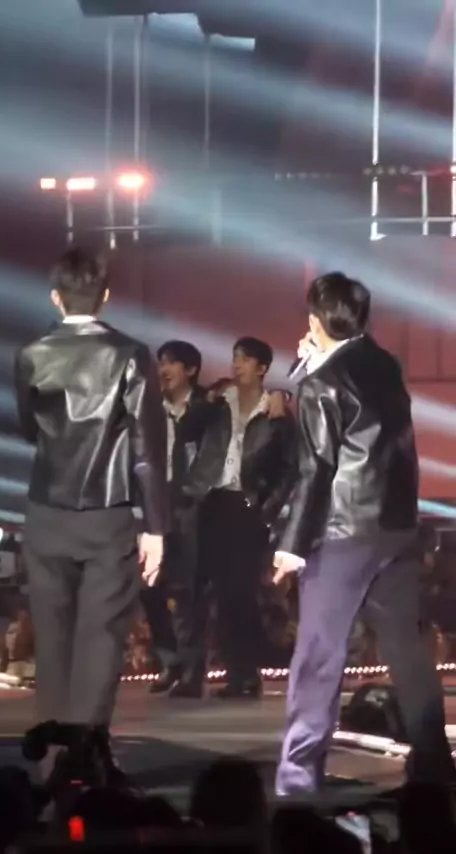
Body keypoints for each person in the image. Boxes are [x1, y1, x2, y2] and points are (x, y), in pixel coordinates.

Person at [273, 271, 455, 795]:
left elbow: (315, 469)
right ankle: (434, 763)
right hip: (394, 528)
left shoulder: (320, 383)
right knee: (407, 651)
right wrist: (312, 365)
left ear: (315, 320)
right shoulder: (383, 363)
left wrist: (290, 547)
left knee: (319, 653)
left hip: (343, 532)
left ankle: (298, 775)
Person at [14, 248, 167, 771]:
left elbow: (29, 428)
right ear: (104, 296)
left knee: (52, 636)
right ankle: (85, 755)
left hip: (46, 509)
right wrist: (156, 527)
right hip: (108, 510)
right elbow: (147, 449)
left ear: (56, 298)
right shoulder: (130, 354)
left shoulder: (31, 354)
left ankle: (52, 759)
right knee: (100, 636)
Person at [185, 337, 298, 699]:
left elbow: (291, 467)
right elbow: (186, 429)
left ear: (262, 368)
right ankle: (220, 673)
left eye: (245, 359)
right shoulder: (218, 402)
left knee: (240, 593)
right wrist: (206, 401)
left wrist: (269, 508)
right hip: (211, 500)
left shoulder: (276, 412)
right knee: (211, 591)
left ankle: (245, 674)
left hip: (248, 506)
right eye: (235, 358)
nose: (237, 365)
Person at [142, 340, 212, 698]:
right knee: (149, 587)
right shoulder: (151, 408)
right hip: (156, 505)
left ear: (191, 370)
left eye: (171, 363)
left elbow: (214, 455)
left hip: (191, 509)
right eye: (160, 363)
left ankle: (192, 670)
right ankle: (170, 661)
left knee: (187, 593)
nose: (163, 370)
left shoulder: (208, 408)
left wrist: (192, 494)